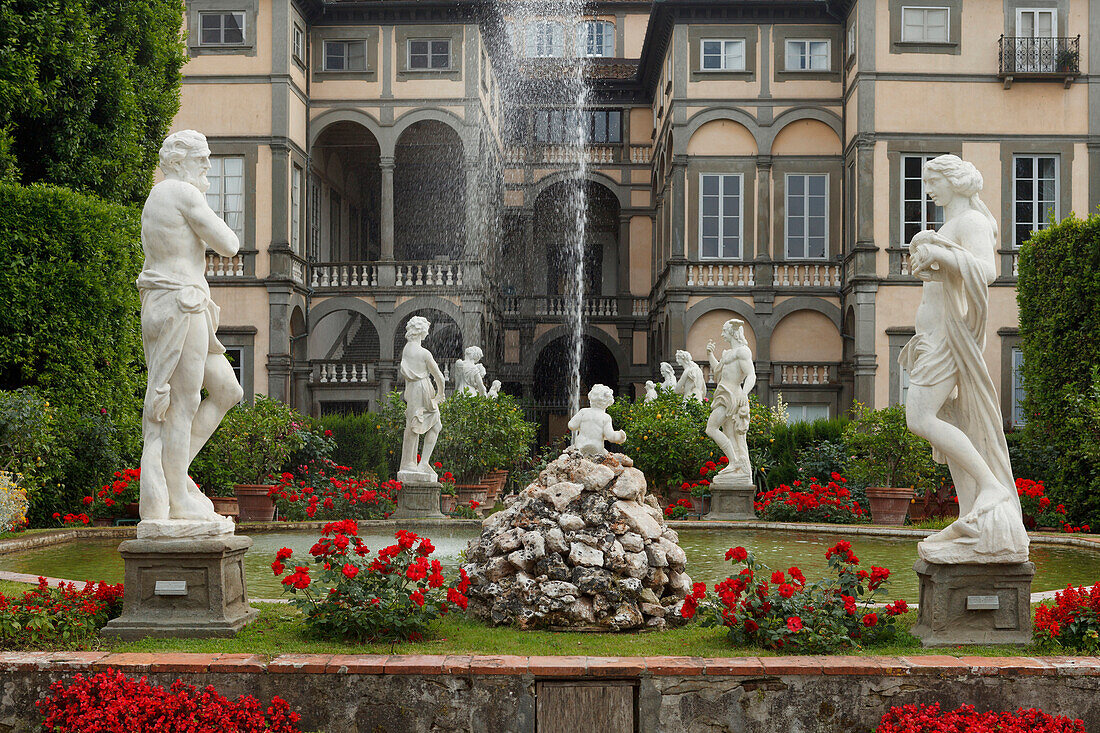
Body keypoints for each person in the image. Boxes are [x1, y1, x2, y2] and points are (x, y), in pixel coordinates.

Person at [901, 155, 1028, 563]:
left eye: (933, 180)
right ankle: (974, 512)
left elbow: (985, 272)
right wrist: (933, 261)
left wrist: (939, 252)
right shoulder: (951, 224)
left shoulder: (970, 222)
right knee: (956, 423)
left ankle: (990, 486)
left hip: (949, 338)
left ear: (954, 181)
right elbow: (950, 274)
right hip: (935, 335)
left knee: (919, 418)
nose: (928, 189)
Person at [137, 130, 243, 524]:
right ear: (181, 163)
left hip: (181, 303)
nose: (209, 169)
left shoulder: (162, 195)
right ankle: (177, 500)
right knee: (182, 405)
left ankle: (173, 479)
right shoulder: (180, 191)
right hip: (180, 303)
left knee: (227, 390)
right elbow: (229, 243)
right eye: (203, 161)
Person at [399, 316, 447, 482]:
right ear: (421, 331)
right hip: (423, 389)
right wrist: (441, 393)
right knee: (428, 425)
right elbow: (439, 377)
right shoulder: (423, 353)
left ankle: (412, 462)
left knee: (413, 424)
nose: (428, 332)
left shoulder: (407, 349)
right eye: (426, 328)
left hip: (412, 389)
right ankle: (418, 463)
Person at [706, 319, 756, 477]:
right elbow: (718, 370)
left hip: (732, 394)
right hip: (723, 393)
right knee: (729, 433)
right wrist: (710, 355)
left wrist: (744, 393)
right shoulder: (727, 354)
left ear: (733, 332)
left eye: (725, 331)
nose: (722, 334)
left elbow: (751, 375)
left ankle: (735, 462)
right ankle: (738, 466)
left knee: (711, 428)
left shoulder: (743, 351)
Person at [567, 384, 626, 457]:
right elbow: (610, 436)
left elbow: (571, 425)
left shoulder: (583, 412)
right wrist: (620, 436)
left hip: (580, 445)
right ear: (608, 402)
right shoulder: (605, 417)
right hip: (596, 448)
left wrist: (582, 427)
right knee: (608, 457)